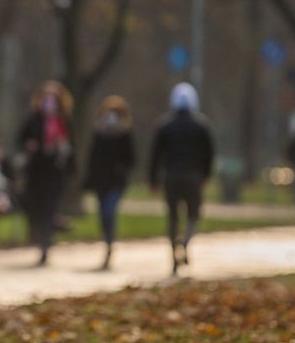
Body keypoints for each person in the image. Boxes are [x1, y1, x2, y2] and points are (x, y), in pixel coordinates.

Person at [149, 83, 215, 275]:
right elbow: (209, 154)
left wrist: (153, 180)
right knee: (193, 214)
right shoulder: (201, 126)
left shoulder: (165, 126)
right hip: (193, 177)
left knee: (173, 216)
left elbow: (156, 155)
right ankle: (185, 243)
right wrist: (205, 175)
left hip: (171, 176)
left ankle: (173, 254)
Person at [17, 80, 74, 266]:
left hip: (54, 172)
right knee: (37, 209)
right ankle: (42, 235)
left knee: (50, 207)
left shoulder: (63, 120)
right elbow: (21, 138)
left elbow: (71, 147)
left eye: (53, 98)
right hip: (36, 172)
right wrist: (30, 145)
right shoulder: (33, 119)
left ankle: (45, 245)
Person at [83, 95, 136, 269]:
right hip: (100, 181)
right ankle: (107, 240)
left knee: (109, 211)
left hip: (116, 182)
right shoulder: (99, 132)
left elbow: (131, 159)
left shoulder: (124, 133)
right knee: (103, 215)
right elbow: (93, 158)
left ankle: (109, 245)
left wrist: (121, 168)